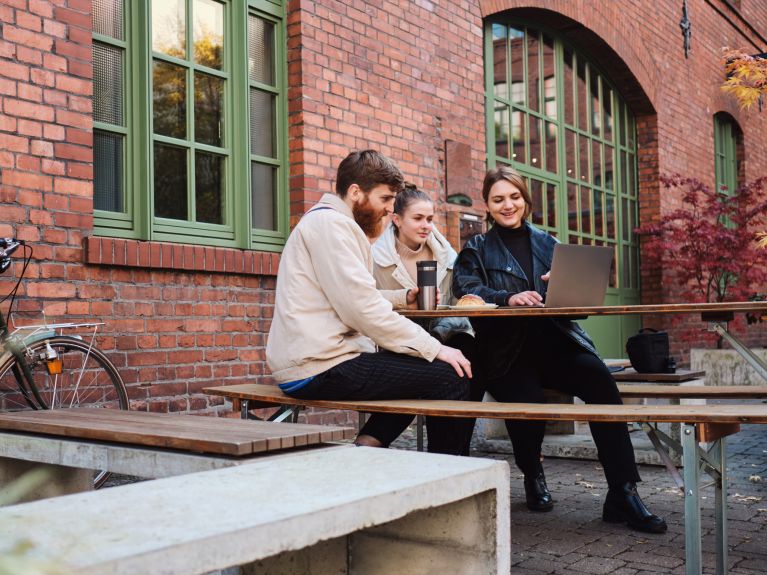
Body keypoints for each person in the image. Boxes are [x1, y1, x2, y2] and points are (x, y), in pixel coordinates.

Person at [452, 165, 667, 534]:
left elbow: (578, 309)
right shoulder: (477, 247)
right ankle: (533, 474)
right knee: (528, 401)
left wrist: (564, 288)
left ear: (526, 199)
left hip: (556, 342)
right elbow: (465, 290)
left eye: (514, 197)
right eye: (498, 199)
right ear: (487, 206)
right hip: (506, 351)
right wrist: (508, 297)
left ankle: (623, 492)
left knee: (601, 381)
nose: (508, 205)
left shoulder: (547, 242)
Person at [266, 150, 474, 455]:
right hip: (319, 366)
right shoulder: (332, 226)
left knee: (416, 366)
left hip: (317, 361)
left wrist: (402, 298)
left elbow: (351, 296)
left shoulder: (330, 223)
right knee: (448, 375)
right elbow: (362, 309)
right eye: (386, 198)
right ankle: (450, 476)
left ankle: (369, 444)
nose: (390, 209)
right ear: (355, 193)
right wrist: (434, 347)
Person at [371, 186, 479, 454]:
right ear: (396, 219)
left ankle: (448, 455)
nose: (426, 226)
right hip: (398, 343)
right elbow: (364, 299)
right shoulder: (374, 257)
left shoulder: (447, 257)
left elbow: (460, 305)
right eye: (418, 218)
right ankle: (443, 456)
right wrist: (404, 297)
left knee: (464, 361)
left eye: (430, 219)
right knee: (429, 372)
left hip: (443, 336)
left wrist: (443, 312)